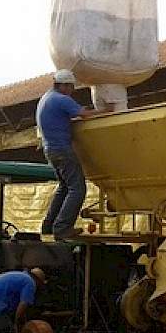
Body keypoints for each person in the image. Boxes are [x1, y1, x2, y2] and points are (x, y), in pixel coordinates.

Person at [36, 69, 104, 240]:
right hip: (62, 150)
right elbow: (85, 114)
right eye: (71, 87)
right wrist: (107, 111)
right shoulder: (61, 100)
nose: (72, 90)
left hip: (50, 150)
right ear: (64, 85)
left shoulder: (46, 98)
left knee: (64, 187)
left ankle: (49, 225)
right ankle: (62, 228)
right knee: (78, 188)